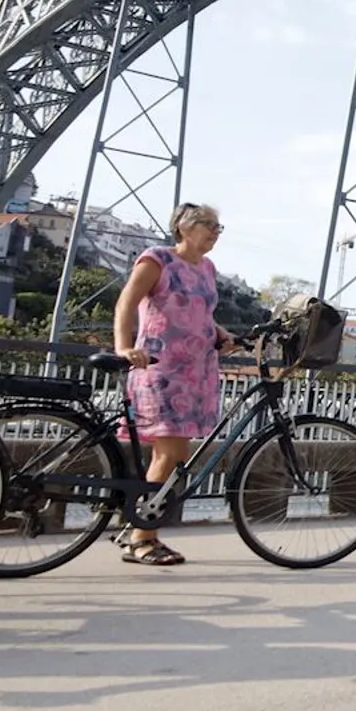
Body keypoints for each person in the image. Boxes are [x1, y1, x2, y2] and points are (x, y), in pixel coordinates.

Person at [111, 202, 235, 566]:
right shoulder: (157, 260)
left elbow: (200, 313)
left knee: (176, 454)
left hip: (196, 371)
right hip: (160, 368)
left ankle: (137, 524)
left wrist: (220, 332)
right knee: (167, 454)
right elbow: (126, 302)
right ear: (183, 226)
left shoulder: (208, 268)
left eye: (218, 227)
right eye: (208, 224)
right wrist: (123, 346)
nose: (215, 231)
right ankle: (142, 539)